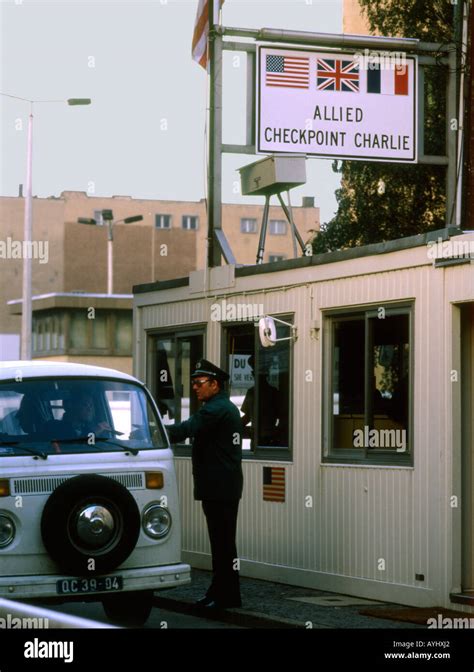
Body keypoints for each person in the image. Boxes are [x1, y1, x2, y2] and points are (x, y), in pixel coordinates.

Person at [166, 359, 243, 610]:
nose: (195, 388)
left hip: (219, 487)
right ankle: (222, 592)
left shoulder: (215, 409)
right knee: (221, 543)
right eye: (194, 384)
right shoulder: (220, 406)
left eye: (199, 384)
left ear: (215, 384)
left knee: (222, 543)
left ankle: (225, 595)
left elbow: (186, 429)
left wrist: (152, 432)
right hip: (220, 486)